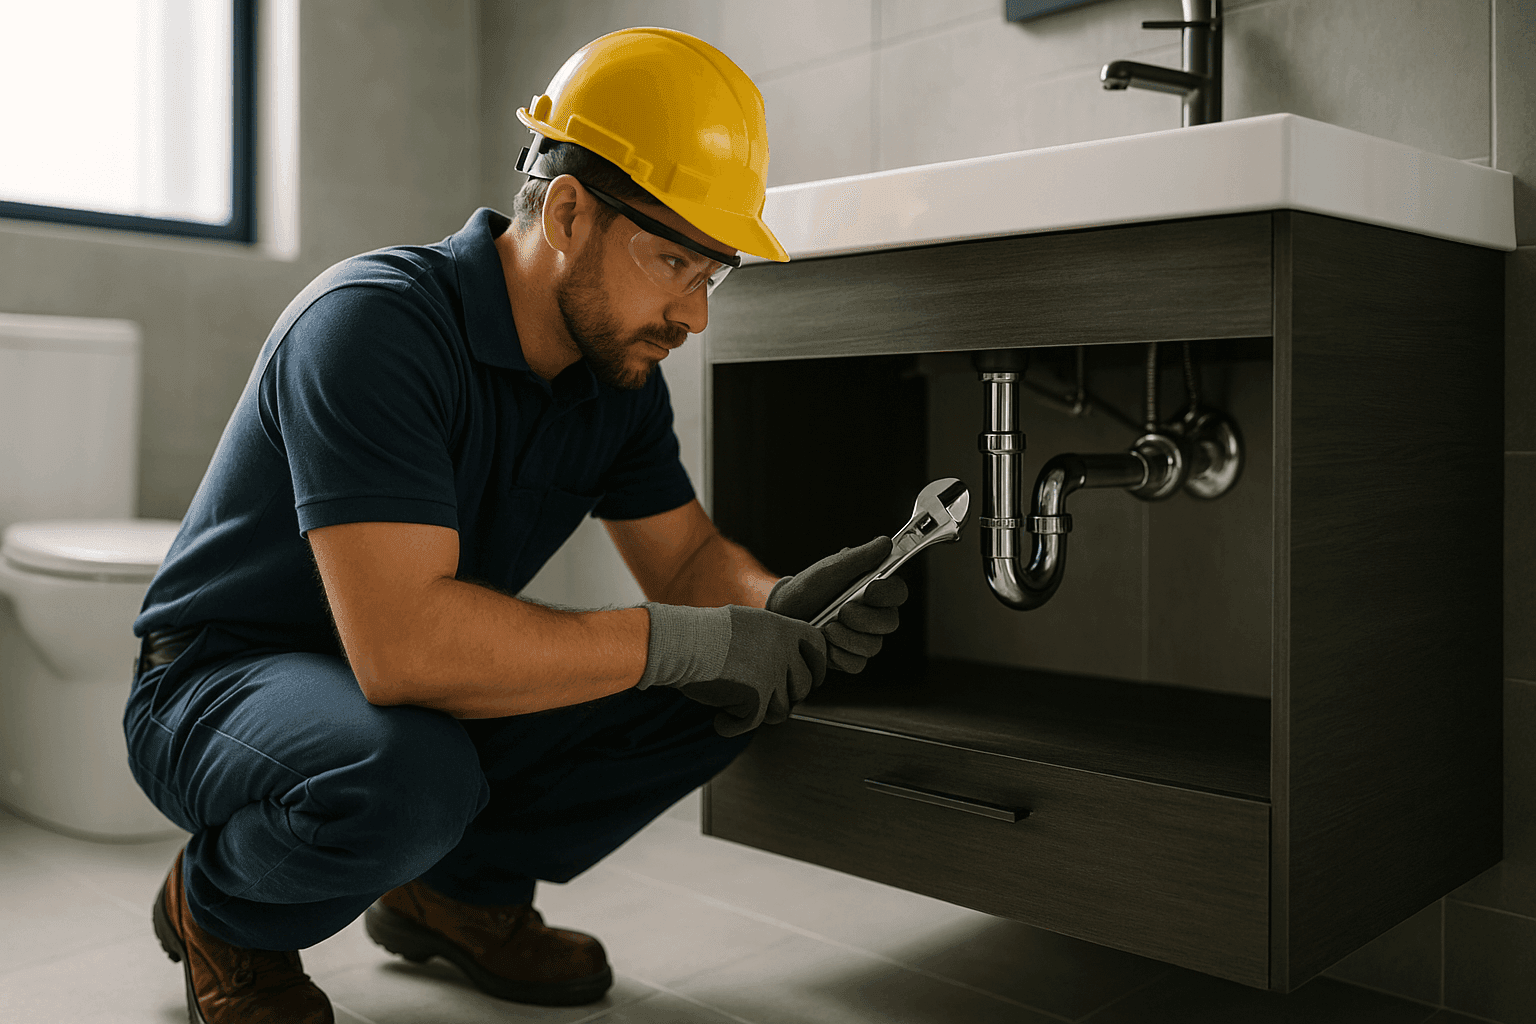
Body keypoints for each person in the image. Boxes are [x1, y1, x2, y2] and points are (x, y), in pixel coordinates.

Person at [125, 26, 908, 1024]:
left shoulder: (614, 380)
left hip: (402, 693)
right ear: (572, 211)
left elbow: (689, 561)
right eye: (673, 259)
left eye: (711, 275)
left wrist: (779, 612)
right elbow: (403, 650)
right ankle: (222, 912)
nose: (695, 316)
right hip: (218, 681)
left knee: (726, 686)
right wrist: (696, 634)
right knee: (408, 770)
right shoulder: (375, 326)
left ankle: (456, 893)